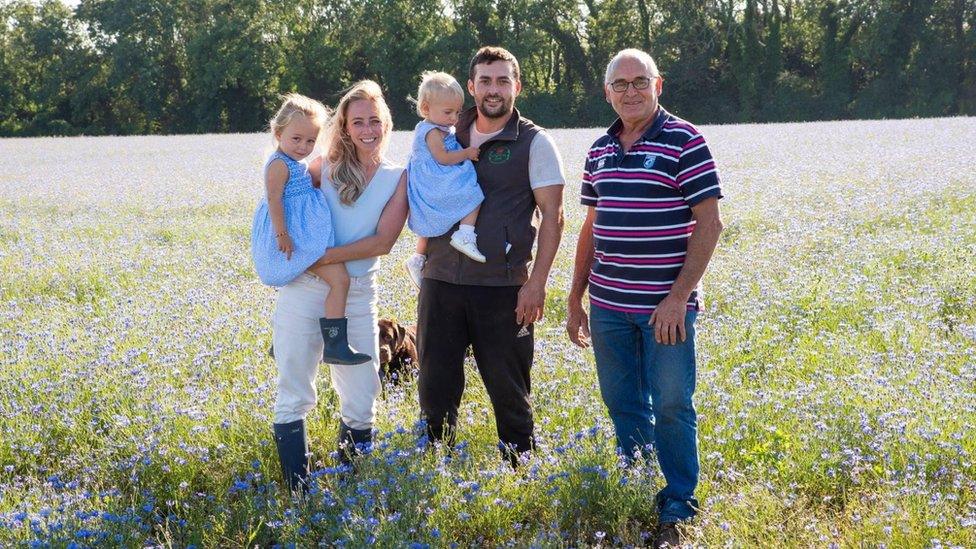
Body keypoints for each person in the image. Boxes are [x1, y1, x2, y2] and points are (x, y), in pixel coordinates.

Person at [565, 49, 724, 547]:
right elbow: (591, 228)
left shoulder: (685, 140)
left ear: (659, 86)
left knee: (673, 403)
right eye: (620, 84)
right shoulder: (598, 149)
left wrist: (679, 297)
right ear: (607, 91)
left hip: (664, 307)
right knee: (623, 401)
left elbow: (710, 223)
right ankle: (637, 481)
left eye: (640, 81)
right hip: (609, 304)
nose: (630, 91)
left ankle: (678, 499)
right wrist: (576, 298)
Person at [416, 46, 566, 466]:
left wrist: (536, 283)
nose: (494, 89)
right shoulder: (444, 133)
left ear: (516, 86)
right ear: (471, 87)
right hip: (441, 280)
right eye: (485, 80)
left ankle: (521, 471)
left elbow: (554, 218)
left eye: (503, 80)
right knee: (435, 387)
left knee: (509, 389)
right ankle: (432, 472)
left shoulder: (534, 142)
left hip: (503, 287)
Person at [271, 81, 408, 492]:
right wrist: (290, 257)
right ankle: (301, 492)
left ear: (386, 124)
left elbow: (382, 242)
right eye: (358, 122)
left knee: (363, 396)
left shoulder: (397, 176)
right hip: (305, 289)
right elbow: (283, 207)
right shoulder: (320, 168)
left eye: (375, 121)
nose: (368, 129)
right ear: (345, 128)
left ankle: (350, 492)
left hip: (359, 292)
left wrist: (322, 258)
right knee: (294, 389)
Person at [251, 93, 370, 365]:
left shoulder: (295, 161)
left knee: (334, 282)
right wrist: (282, 234)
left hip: (304, 235)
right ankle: (335, 345)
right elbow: (274, 200)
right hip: (296, 238)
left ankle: (283, 342)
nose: (304, 146)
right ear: (278, 132)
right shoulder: (279, 164)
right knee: (339, 280)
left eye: (310, 141)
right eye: (296, 139)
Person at [404, 71, 486, 287]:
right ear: (425, 109)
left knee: (429, 220)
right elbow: (442, 158)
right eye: (448, 112)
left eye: (457, 113)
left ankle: (418, 258)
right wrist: (467, 153)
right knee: (473, 194)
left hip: (431, 179)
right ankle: (465, 234)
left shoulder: (438, 127)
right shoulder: (432, 132)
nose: (454, 119)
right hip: (436, 179)